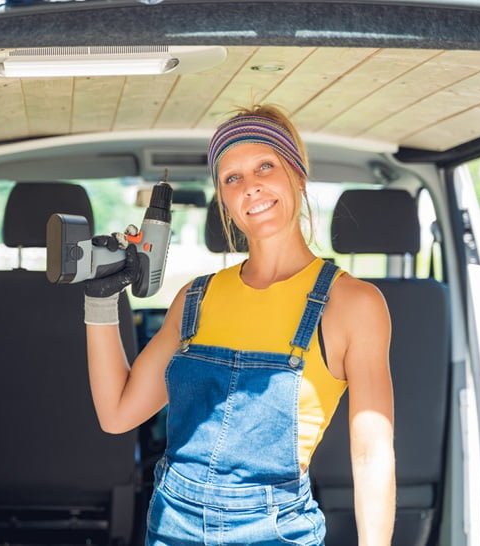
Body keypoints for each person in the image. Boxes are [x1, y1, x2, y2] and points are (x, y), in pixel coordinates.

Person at [84, 105, 395, 546]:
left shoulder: (354, 304)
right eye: (232, 178)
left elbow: (371, 454)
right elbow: (117, 414)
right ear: (224, 202)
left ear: (298, 174)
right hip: (173, 525)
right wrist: (100, 300)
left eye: (265, 166)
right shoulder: (195, 297)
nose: (251, 187)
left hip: (275, 531)